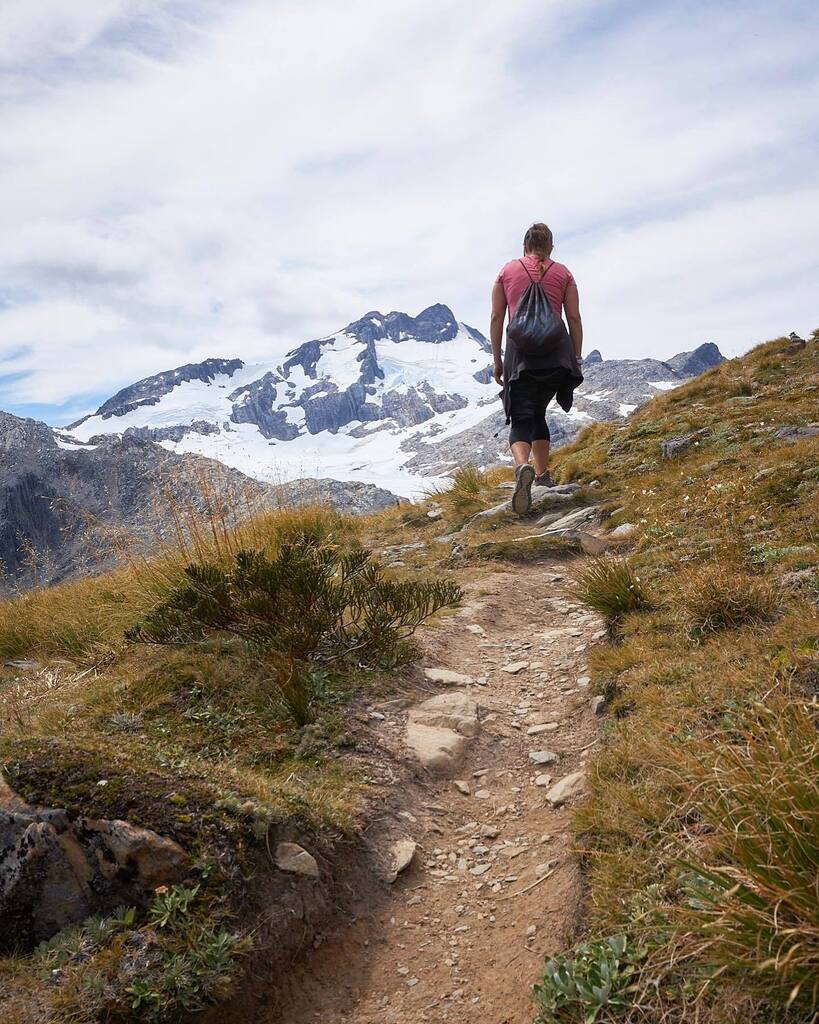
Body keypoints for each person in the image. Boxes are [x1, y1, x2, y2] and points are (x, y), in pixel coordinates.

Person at [490, 223, 583, 514]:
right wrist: (575, 357)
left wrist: (497, 359)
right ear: (551, 247)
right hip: (556, 356)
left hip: (521, 356)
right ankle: (543, 476)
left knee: (520, 417)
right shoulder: (563, 273)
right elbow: (574, 318)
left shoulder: (507, 271)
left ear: (524, 246)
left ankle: (522, 469)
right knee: (539, 412)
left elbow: (496, 317)